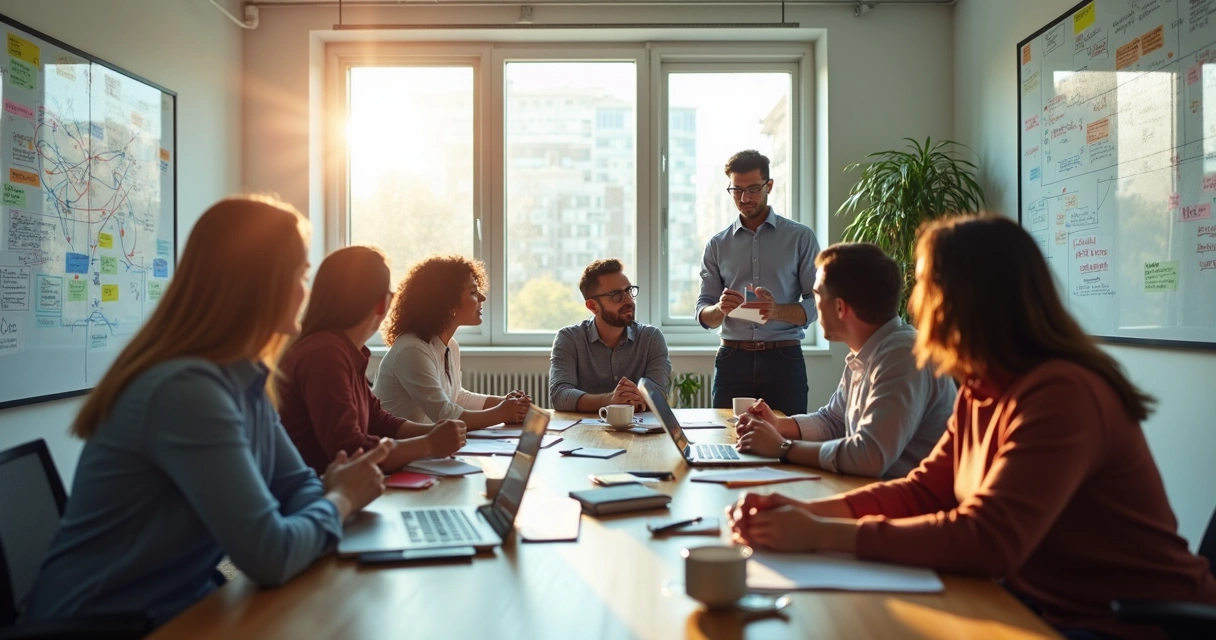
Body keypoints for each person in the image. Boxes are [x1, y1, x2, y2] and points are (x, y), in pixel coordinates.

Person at [727, 215, 1216, 639]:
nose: (916, 303)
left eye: (926, 287)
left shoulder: (1061, 393)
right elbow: (923, 492)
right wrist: (799, 511)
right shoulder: (984, 386)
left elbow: (989, 540)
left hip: (1128, 625)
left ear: (965, 299)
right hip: (1039, 605)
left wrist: (820, 533)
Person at [22, 196, 390, 627]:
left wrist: (327, 497)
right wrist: (342, 498)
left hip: (181, 606)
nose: (304, 293)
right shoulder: (186, 392)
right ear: (260, 285)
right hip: (102, 626)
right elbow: (270, 554)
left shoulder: (246, 381)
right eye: (299, 275)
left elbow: (297, 485)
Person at [734, 243, 955, 479]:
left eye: (817, 295)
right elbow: (833, 421)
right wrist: (779, 426)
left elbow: (869, 456)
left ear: (840, 307)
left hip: (907, 507)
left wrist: (782, 448)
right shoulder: (869, 352)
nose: (815, 305)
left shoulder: (903, 355)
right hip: (873, 494)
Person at [277, 246, 467, 475]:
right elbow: (350, 450)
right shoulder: (325, 355)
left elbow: (379, 421)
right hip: (321, 494)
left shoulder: (342, 349)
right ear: (383, 303)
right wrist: (429, 444)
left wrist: (433, 432)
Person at [696, 149, 820, 416]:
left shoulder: (800, 238)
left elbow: (818, 303)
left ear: (769, 186)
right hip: (732, 359)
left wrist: (776, 311)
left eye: (753, 189)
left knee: (787, 443)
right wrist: (720, 309)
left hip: (784, 359)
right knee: (726, 442)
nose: (744, 198)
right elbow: (704, 313)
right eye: (736, 190)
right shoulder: (717, 245)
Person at [374, 255, 530, 428]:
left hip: (425, 447)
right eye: (473, 292)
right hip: (400, 449)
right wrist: (502, 413)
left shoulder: (450, 345)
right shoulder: (412, 350)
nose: (482, 298)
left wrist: (506, 403)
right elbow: (445, 415)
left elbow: (456, 396)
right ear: (450, 305)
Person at [549, 258, 671, 412]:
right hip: (584, 433)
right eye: (616, 295)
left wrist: (634, 397)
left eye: (628, 291)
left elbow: (659, 393)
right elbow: (560, 396)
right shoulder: (569, 339)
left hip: (640, 432)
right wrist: (610, 400)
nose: (628, 301)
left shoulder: (651, 338)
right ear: (592, 306)